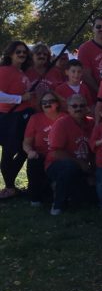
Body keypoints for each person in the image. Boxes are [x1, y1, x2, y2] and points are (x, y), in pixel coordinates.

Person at [46, 94, 95, 215]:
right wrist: (80, 163)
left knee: (89, 199)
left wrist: (93, 171)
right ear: (68, 108)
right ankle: (58, 205)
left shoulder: (92, 123)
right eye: (74, 106)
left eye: (82, 105)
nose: (78, 108)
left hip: (83, 166)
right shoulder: (61, 124)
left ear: (86, 108)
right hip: (57, 164)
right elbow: (56, 152)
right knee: (69, 167)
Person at [0, 41, 34, 199]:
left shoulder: (21, 72)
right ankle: (9, 186)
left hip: (23, 116)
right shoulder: (5, 70)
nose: (21, 54)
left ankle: (11, 185)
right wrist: (20, 98)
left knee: (23, 150)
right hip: (10, 117)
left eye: (24, 52)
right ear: (10, 54)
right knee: (9, 151)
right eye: (18, 52)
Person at [23, 91, 65, 206]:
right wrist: (30, 151)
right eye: (44, 102)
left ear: (57, 103)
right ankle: (35, 198)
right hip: (41, 155)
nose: (47, 104)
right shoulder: (35, 118)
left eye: (50, 101)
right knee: (33, 161)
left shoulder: (65, 117)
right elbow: (26, 143)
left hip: (59, 155)